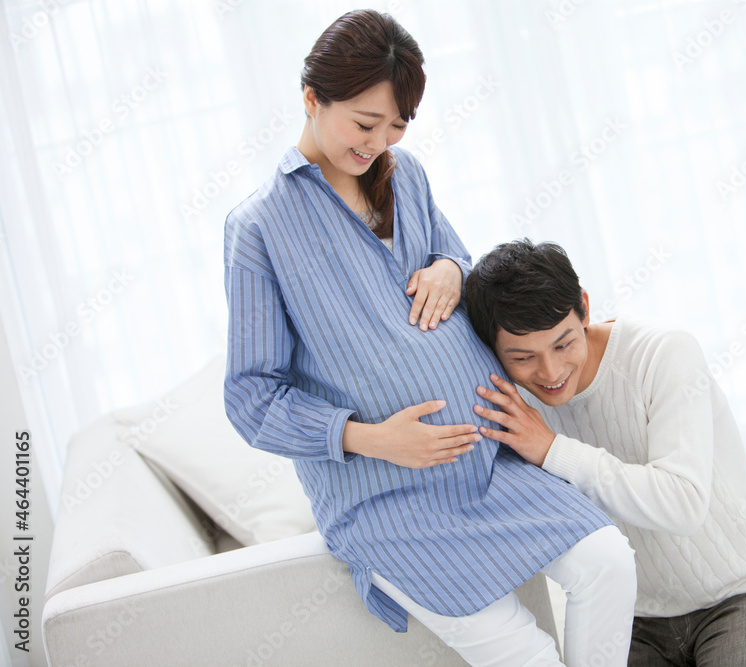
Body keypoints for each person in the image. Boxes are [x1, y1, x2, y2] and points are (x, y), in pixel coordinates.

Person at [223, 11, 636, 666]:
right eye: (365, 123)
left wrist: (450, 265)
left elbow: (458, 260)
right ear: (312, 99)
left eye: (396, 125)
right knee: (528, 655)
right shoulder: (259, 229)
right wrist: (371, 438)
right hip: (385, 499)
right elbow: (251, 399)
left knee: (609, 559)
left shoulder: (406, 176)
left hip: (488, 464)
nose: (378, 142)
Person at [464, 239, 746, 666]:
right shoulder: (512, 402)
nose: (550, 372)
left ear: (585, 309)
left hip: (742, 594)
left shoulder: (665, 352)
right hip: (636, 618)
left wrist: (553, 450)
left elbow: (683, 504)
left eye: (563, 344)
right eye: (524, 357)